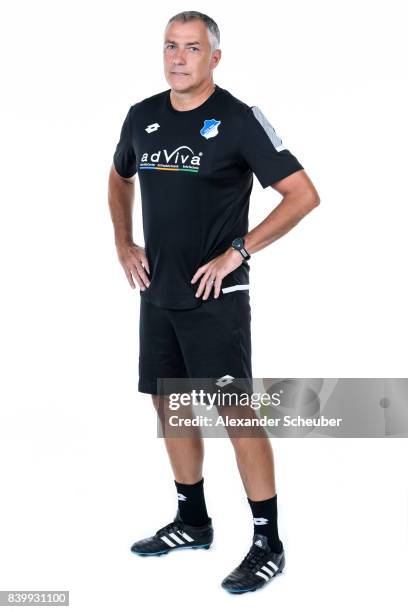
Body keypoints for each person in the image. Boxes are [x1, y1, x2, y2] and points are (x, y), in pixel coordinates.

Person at [108, 10, 320, 594]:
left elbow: (303, 195)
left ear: (215, 58)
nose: (178, 58)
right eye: (171, 47)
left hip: (216, 297)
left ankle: (267, 542)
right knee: (168, 406)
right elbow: (118, 175)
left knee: (235, 414)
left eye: (192, 48)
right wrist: (125, 240)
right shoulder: (142, 116)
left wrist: (238, 252)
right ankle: (193, 521)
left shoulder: (239, 120)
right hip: (158, 293)